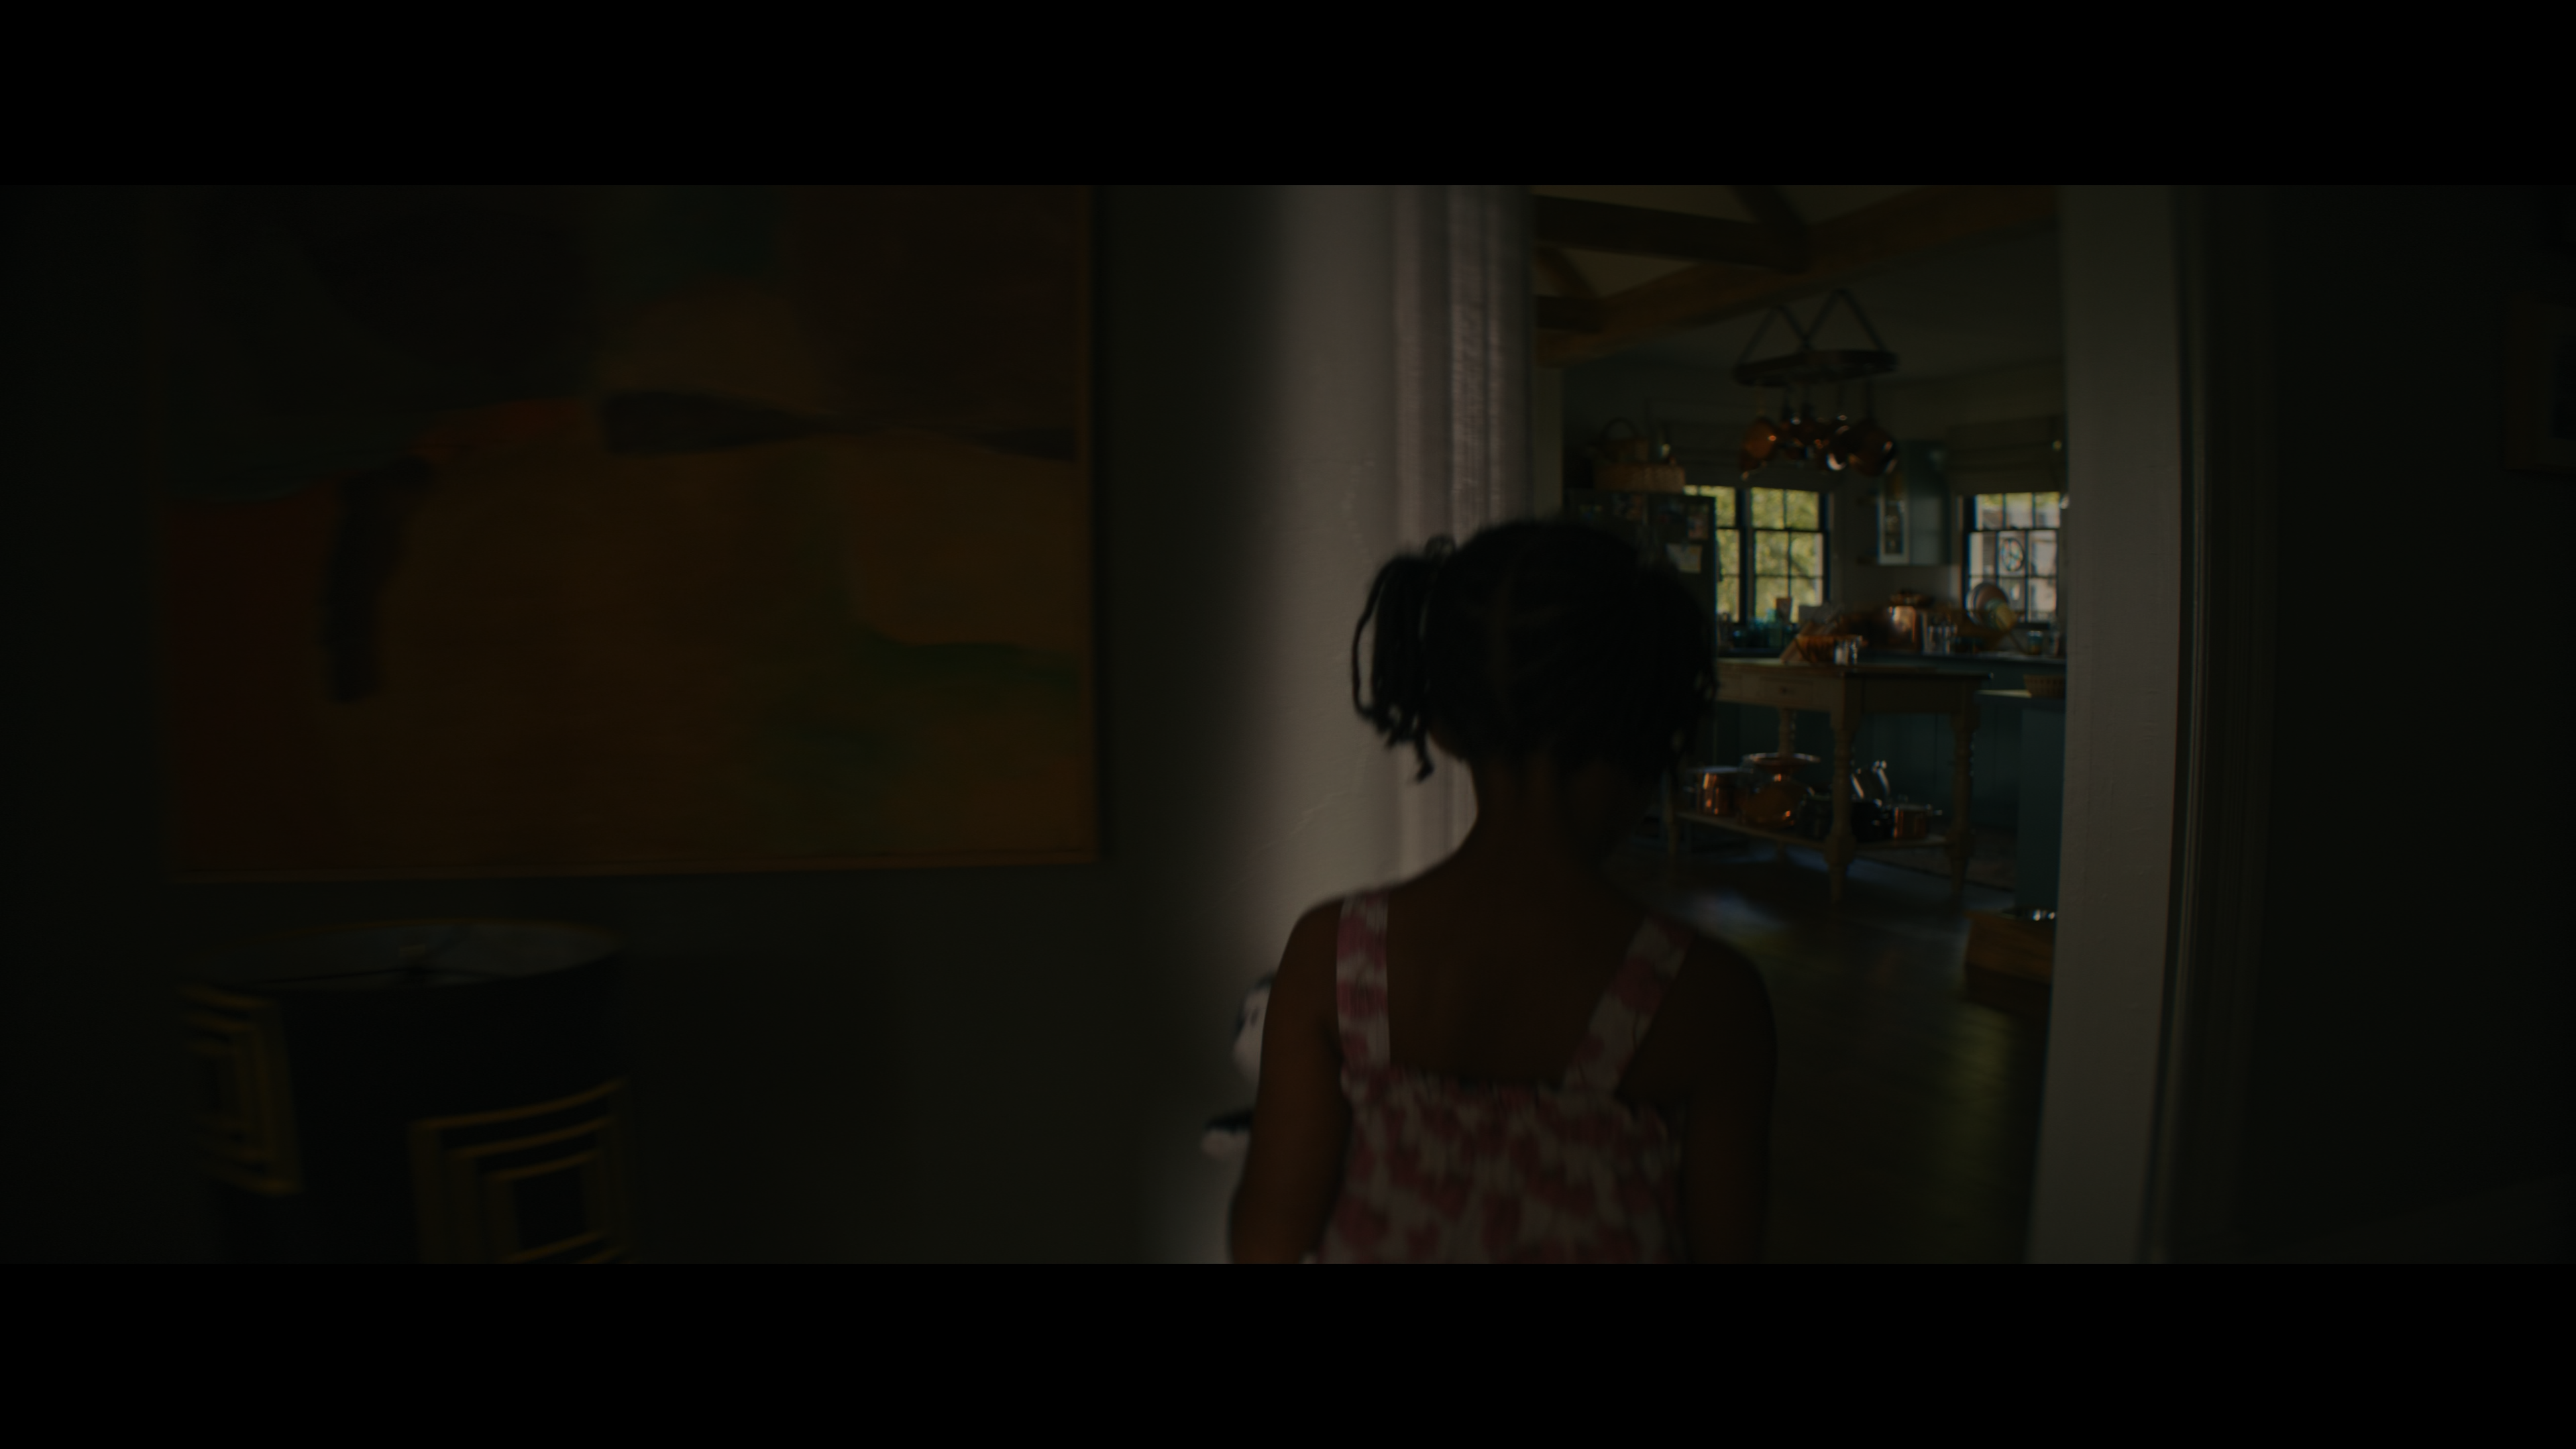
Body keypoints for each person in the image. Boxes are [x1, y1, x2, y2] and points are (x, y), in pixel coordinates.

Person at [1229, 517, 1776, 1263]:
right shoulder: (1709, 998)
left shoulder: (1333, 954)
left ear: (1442, 726)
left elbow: (1264, 1244)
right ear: (1651, 728)